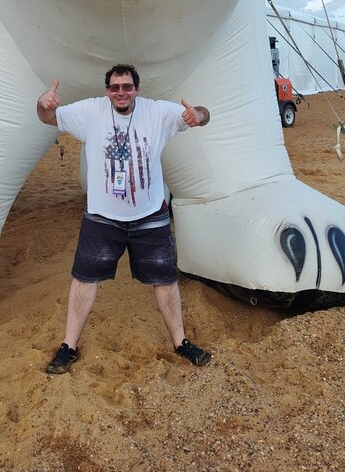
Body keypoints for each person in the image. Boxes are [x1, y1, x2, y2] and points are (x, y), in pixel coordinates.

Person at [37, 63, 213, 374]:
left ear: (137, 89)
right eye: (115, 87)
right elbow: (49, 118)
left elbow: (203, 114)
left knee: (165, 279)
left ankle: (180, 341)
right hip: (103, 217)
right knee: (84, 279)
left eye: (127, 87)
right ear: (107, 91)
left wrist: (198, 115)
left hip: (150, 216)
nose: (121, 92)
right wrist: (43, 105)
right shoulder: (91, 111)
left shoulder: (157, 112)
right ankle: (68, 346)